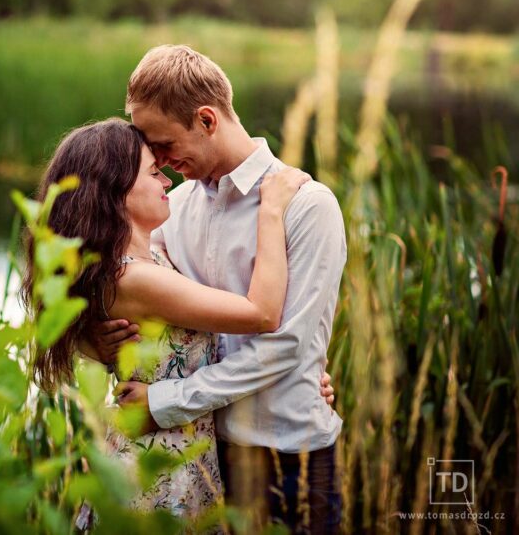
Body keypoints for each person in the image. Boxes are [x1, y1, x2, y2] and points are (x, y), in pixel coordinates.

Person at [21, 118, 334, 528]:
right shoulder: (136, 277)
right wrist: (271, 212)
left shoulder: (150, 254)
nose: (167, 181)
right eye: (153, 173)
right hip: (160, 470)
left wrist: (302, 371)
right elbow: (261, 314)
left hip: (185, 459)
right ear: (116, 193)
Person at [96, 45, 346, 534]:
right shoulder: (172, 209)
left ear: (207, 120)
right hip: (203, 455)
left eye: (164, 144)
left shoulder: (306, 206)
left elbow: (287, 346)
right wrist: (95, 339)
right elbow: (125, 293)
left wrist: (163, 402)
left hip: (286, 455)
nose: (160, 163)